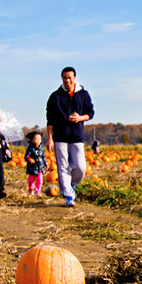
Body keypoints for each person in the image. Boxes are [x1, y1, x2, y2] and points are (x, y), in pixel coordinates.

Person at [46, 67, 94, 207]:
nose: (67, 80)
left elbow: (90, 113)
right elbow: (50, 119)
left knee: (80, 167)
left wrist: (80, 118)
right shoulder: (55, 96)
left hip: (77, 136)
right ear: (62, 79)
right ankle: (68, 195)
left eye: (69, 78)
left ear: (74, 78)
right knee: (63, 167)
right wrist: (50, 138)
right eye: (64, 78)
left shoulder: (83, 94)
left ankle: (71, 183)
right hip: (60, 137)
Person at [24, 130, 48, 197]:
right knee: (31, 180)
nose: (38, 140)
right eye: (36, 139)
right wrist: (30, 159)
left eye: (39, 139)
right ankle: (31, 189)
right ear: (32, 140)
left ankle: (38, 191)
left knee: (40, 179)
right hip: (32, 167)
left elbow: (43, 156)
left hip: (40, 167)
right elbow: (26, 156)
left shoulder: (41, 148)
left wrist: (46, 164)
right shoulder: (30, 148)